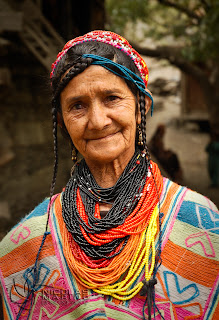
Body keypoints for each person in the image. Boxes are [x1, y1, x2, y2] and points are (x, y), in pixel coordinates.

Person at [0, 30, 218, 320]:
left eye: (111, 98)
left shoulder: (202, 224)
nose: (98, 121)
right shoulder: (28, 243)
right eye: (77, 106)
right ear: (63, 123)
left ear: (141, 108)